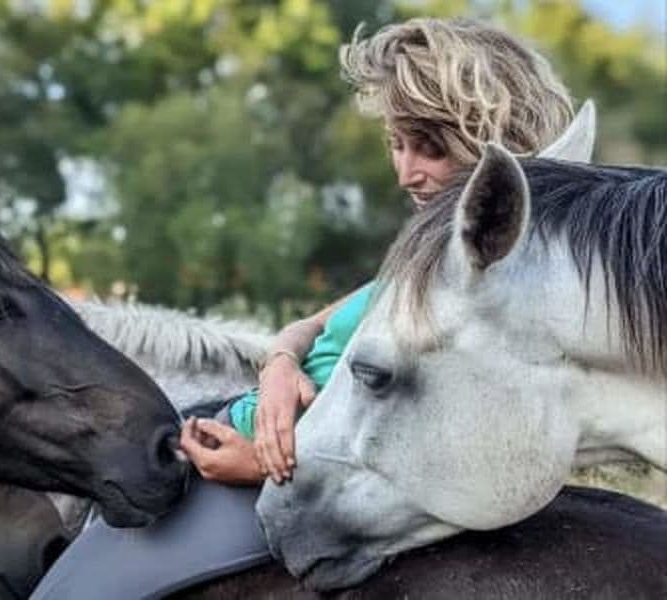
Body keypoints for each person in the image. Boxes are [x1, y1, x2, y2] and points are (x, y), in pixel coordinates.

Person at [32, 17, 579, 599]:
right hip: (231, 449)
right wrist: (278, 368)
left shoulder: (483, 288)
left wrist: (264, 469)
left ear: (493, 141)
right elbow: (307, 326)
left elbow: (436, 448)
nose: (405, 172)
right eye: (396, 144)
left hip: (273, 489)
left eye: (431, 148)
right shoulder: (422, 260)